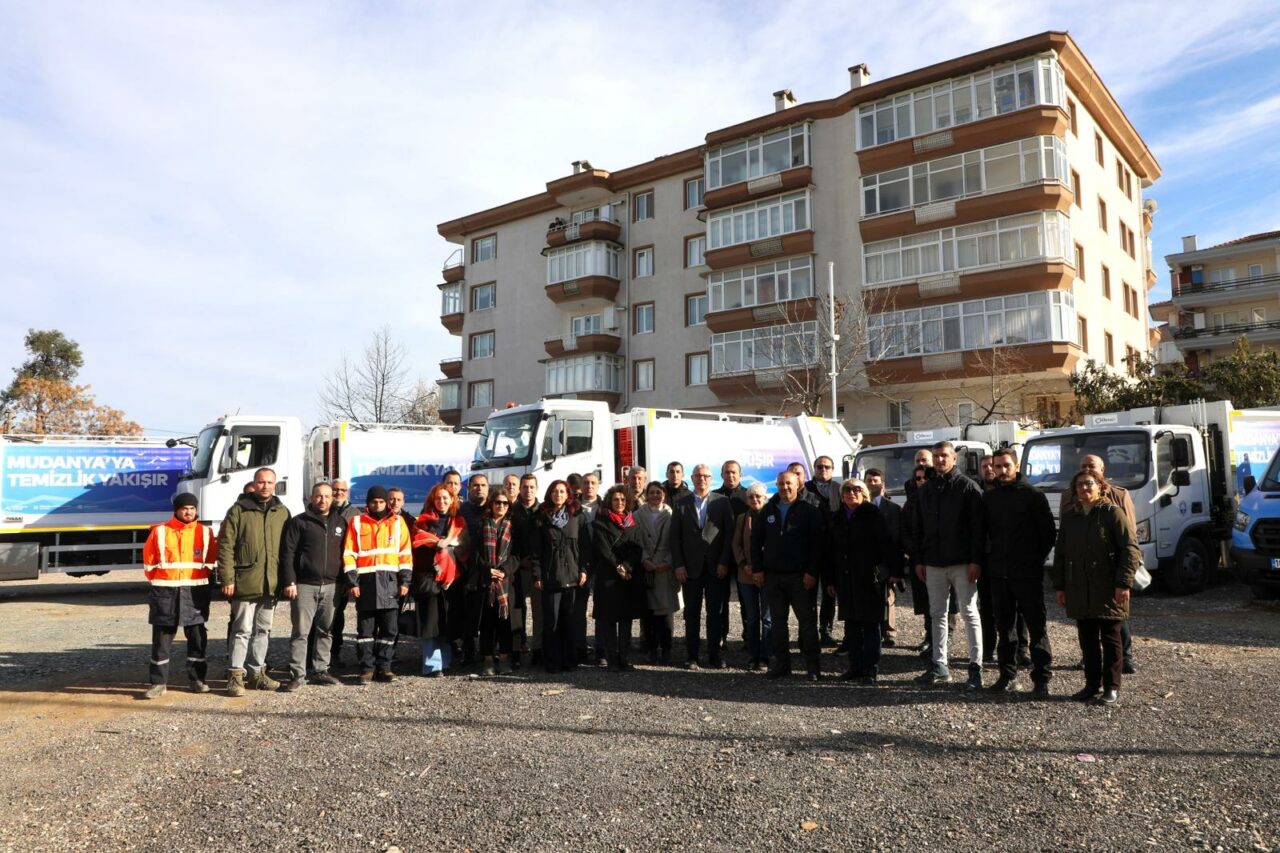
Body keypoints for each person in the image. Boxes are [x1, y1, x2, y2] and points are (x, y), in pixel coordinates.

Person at [1052, 470, 1139, 705]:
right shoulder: (1071, 517)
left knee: (1111, 638)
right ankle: (1092, 685)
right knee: (1087, 639)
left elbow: (1130, 550)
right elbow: (1061, 554)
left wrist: (1123, 583)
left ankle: (1112, 687)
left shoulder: (1112, 513)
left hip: (1109, 586)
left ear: (1100, 486)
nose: (1084, 488)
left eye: (1089, 484)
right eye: (1079, 485)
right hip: (1079, 587)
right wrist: (1059, 586)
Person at [982, 448, 1056, 697]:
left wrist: (1033, 561)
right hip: (999, 575)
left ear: (1016, 466)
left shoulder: (1033, 495)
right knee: (1004, 628)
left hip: (1027, 574)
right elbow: (985, 534)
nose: (1001, 471)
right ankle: (1007, 674)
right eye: (997, 466)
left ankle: (1042, 678)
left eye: (1006, 466)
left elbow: (1047, 534)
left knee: (1036, 627)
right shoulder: (990, 498)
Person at [912, 441, 985, 690]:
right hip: (933, 562)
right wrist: (919, 560)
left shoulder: (967, 487)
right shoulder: (926, 490)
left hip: (963, 562)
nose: (940, 460)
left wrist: (976, 560)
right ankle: (939, 665)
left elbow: (979, 528)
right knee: (937, 614)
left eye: (944, 456)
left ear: (954, 459)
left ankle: (976, 668)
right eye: (936, 456)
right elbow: (918, 528)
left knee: (969, 613)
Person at [218, 467, 291, 696]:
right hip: (245, 581)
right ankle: (235, 676)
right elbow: (226, 546)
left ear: (275, 484)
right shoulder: (238, 510)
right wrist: (227, 578)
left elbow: (288, 549)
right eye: (261, 482)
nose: (265, 486)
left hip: (271, 583)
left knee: (264, 630)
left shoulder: (282, 511)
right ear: (254, 483)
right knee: (242, 630)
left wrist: (287, 580)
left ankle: (258, 674)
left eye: (270, 482)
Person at [141, 492, 218, 698]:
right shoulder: (159, 531)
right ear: (176, 510)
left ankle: (198, 680)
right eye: (185, 508)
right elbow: (149, 563)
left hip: (195, 592)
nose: (189, 512)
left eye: (192, 508)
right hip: (166, 591)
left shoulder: (205, 532)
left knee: (197, 638)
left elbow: (210, 560)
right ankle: (158, 683)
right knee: (162, 640)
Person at [751, 470, 824, 681]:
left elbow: (817, 545)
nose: (785, 487)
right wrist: (757, 569)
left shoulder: (809, 509)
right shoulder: (769, 509)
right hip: (773, 577)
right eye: (781, 484)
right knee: (778, 625)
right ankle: (782, 665)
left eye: (789, 483)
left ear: (798, 483)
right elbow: (756, 540)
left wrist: (812, 572)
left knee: (807, 624)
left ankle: (813, 668)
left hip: (801, 577)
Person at [826, 478, 900, 684]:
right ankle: (855, 667)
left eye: (857, 489)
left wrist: (894, 571)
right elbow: (831, 551)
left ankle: (870, 669)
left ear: (864, 493)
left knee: (870, 626)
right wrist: (830, 580)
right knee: (851, 626)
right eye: (847, 490)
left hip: (870, 579)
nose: (852, 493)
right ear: (842, 495)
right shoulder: (837, 518)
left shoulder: (873, 515)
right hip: (846, 579)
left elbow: (887, 544)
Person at [279, 482, 348, 691]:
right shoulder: (299, 522)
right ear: (311, 497)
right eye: (319, 496)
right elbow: (287, 554)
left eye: (327, 496)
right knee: (301, 632)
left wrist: (346, 582)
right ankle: (297, 674)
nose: (323, 500)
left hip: (332, 586)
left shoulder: (341, 522)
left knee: (326, 630)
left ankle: (320, 670)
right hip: (304, 586)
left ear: (332, 498)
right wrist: (289, 581)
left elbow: (347, 553)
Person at [343, 485, 412, 683]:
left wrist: (405, 581)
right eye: (374, 501)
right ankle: (366, 669)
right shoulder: (357, 522)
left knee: (389, 630)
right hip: (365, 583)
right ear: (368, 503)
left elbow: (405, 554)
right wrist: (352, 582)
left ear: (386, 502)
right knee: (365, 631)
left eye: (381, 501)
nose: (378, 504)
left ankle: (385, 667)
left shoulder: (398, 522)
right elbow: (349, 553)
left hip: (391, 583)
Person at [670, 464, 736, 669]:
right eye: (698, 476)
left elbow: (729, 536)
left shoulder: (722, 502)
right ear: (692, 478)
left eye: (706, 476)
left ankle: (714, 655)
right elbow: (675, 538)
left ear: (711, 478)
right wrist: (679, 565)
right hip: (690, 568)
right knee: (691, 612)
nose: (702, 479)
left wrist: (725, 561)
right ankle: (692, 655)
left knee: (715, 613)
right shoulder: (681, 503)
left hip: (716, 567)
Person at [531, 480, 588, 673]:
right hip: (551, 577)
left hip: (572, 576)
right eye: (555, 491)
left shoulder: (577, 516)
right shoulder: (541, 517)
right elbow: (536, 550)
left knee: (569, 620)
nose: (559, 494)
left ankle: (569, 661)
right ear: (549, 493)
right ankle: (552, 662)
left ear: (568, 494)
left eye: (562, 491)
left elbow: (584, 547)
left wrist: (584, 570)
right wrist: (537, 574)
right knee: (552, 622)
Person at [411, 484, 468, 676]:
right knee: (431, 623)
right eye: (438, 499)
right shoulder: (423, 523)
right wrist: (438, 546)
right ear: (432, 501)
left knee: (447, 623)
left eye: (446, 498)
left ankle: (446, 661)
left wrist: (448, 551)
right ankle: (432, 665)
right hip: (430, 579)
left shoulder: (459, 523)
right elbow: (418, 545)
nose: (442, 502)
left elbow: (465, 549)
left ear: (452, 500)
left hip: (453, 581)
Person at [592, 485, 646, 671]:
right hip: (608, 577)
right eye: (616, 499)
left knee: (625, 620)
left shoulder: (633, 524)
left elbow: (637, 549)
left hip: (627, 577)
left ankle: (624, 657)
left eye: (623, 500)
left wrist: (627, 566)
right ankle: (611, 660)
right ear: (609, 501)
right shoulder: (600, 523)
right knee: (608, 620)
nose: (620, 503)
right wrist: (618, 566)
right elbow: (603, 549)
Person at [634, 481, 677, 664]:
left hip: (665, 569)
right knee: (649, 613)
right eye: (651, 492)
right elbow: (634, 540)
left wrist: (668, 562)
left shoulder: (672, 515)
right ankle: (651, 648)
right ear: (646, 495)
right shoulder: (637, 515)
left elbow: (677, 541)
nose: (655, 496)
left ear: (664, 495)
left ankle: (666, 649)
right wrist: (644, 560)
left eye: (658, 492)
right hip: (647, 569)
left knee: (666, 614)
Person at [476, 489, 518, 676]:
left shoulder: (514, 526)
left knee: (505, 622)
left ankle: (505, 658)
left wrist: (504, 570)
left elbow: (518, 554)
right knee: (486, 623)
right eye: (497, 502)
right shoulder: (481, 524)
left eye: (505, 503)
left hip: (506, 582)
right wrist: (487, 569)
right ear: (491, 504)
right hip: (486, 581)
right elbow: (474, 553)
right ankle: (487, 660)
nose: (501, 506)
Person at [731, 482, 773, 671]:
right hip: (746, 574)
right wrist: (744, 565)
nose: (755, 499)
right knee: (752, 617)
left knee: (767, 617)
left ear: (765, 498)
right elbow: (736, 545)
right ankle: (753, 654)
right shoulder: (742, 518)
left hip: (768, 575)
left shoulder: (773, 517)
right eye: (751, 497)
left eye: (759, 496)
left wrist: (762, 568)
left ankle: (766, 656)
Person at [321, 478, 360, 668]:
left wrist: (350, 580)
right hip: (323, 573)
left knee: (337, 616)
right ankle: (316, 655)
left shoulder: (355, 515)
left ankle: (334, 653)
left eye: (343, 490)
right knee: (319, 618)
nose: (339, 493)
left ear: (348, 493)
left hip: (343, 575)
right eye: (335, 490)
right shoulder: (321, 510)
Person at [452, 473, 490, 666]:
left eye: (483, 485)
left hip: (489, 568)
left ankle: (487, 651)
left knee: (487, 613)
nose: (479, 489)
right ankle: (467, 650)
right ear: (469, 489)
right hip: (465, 568)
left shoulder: (494, 507)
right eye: (475, 485)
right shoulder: (461, 509)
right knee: (467, 613)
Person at [804, 455, 842, 648]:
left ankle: (825, 631)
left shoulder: (840, 489)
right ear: (814, 468)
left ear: (832, 469)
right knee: (808, 594)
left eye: (827, 467)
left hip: (832, 550)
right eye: (819, 467)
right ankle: (808, 632)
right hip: (810, 549)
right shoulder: (805, 489)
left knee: (830, 593)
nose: (823, 470)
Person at [715, 460, 750, 660]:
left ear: (740, 474)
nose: (731, 476)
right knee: (721, 599)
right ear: (722, 475)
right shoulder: (715, 497)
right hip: (722, 556)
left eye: (734, 472)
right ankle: (722, 636)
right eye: (727, 473)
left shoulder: (748, 496)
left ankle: (747, 636)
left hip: (743, 557)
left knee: (746, 599)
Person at [864, 469, 902, 648]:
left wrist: (895, 567)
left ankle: (890, 631)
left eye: (875, 480)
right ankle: (872, 630)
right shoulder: (858, 507)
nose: (872, 484)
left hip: (886, 560)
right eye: (869, 481)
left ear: (883, 484)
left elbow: (896, 538)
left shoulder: (893, 509)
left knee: (888, 596)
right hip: (865, 560)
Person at [510, 473, 542, 665]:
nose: (528, 490)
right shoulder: (511, 511)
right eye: (525, 487)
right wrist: (519, 560)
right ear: (520, 489)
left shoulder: (543, 511)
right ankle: (517, 647)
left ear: (536, 489)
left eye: (531, 487)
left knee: (539, 611)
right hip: (516, 568)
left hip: (537, 568)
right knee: (516, 611)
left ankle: (538, 648)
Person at [576, 472, 604, 666]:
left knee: (602, 610)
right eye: (586, 483)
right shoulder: (572, 507)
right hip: (579, 563)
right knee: (579, 610)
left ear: (598, 485)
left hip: (602, 563)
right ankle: (579, 649)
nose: (589, 486)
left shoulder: (605, 506)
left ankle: (602, 650)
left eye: (593, 483)